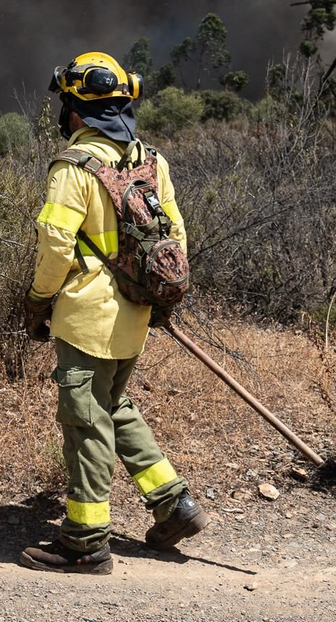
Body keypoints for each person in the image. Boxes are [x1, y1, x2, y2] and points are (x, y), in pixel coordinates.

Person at [19, 51, 207, 575]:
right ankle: (174, 505)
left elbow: (55, 243)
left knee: (84, 422)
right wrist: (162, 299)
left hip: (86, 316)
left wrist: (38, 300)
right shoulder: (151, 161)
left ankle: (84, 543)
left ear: (76, 111)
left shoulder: (72, 168)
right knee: (113, 404)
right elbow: (177, 239)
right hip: (136, 313)